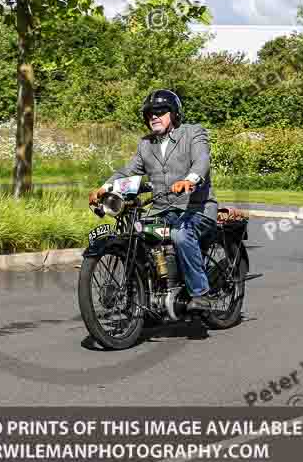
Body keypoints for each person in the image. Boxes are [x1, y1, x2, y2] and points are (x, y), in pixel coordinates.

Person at [88, 89, 219, 312]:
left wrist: (190, 179)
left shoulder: (193, 133)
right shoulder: (146, 144)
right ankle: (151, 294)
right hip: (160, 210)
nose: (154, 116)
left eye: (160, 111)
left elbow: (201, 161)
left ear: (175, 114)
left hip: (196, 208)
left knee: (180, 234)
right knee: (137, 234)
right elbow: (128, 171)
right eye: (150, 113)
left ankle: (200, 293)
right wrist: (104, 187)